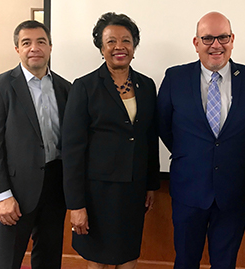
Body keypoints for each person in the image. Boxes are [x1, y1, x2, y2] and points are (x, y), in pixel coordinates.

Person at [158, 11, 245, 269]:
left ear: (232, 40)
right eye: (207, 38)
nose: (216, 45)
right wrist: (191, 153)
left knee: (225, 263)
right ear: (196, 43)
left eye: (223, 37)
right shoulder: (175, 78)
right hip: (188, 189)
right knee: (185, 261)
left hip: (233, 191)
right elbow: (164, 126)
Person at [62, 12, 160, 269]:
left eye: (126, 41)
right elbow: (72, 150)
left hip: (133, 190)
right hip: (97, 195)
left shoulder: (147, 86)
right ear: (101, 47)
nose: (119, 47)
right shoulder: (84, 87)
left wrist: (150, 183)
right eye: (111, 41)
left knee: (129, 256)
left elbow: (149, 136)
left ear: (134, 46)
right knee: (100, 261)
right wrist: (76, 205)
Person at [0, 20, 71, 269]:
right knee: (8, 261)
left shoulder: (66, 88)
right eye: (26, 42)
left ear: (50, 47)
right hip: (15, 191)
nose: (34, 48)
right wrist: (1, 195)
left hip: (55, 187)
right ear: (17, 49)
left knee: (49, 259)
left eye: (41, 42)